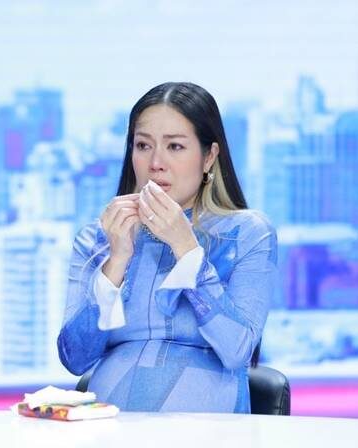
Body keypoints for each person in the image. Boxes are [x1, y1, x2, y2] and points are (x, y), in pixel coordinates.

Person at [57, 82, 277, 413]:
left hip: (210, 433)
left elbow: (237, 350)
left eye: (175, 146)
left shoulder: (247, 233)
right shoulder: (98, 238)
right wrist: (116, 262)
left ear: (209, 156)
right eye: (143, 145)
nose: (156, 162)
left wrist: (187, 251)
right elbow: (75, 358)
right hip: (106, 430)